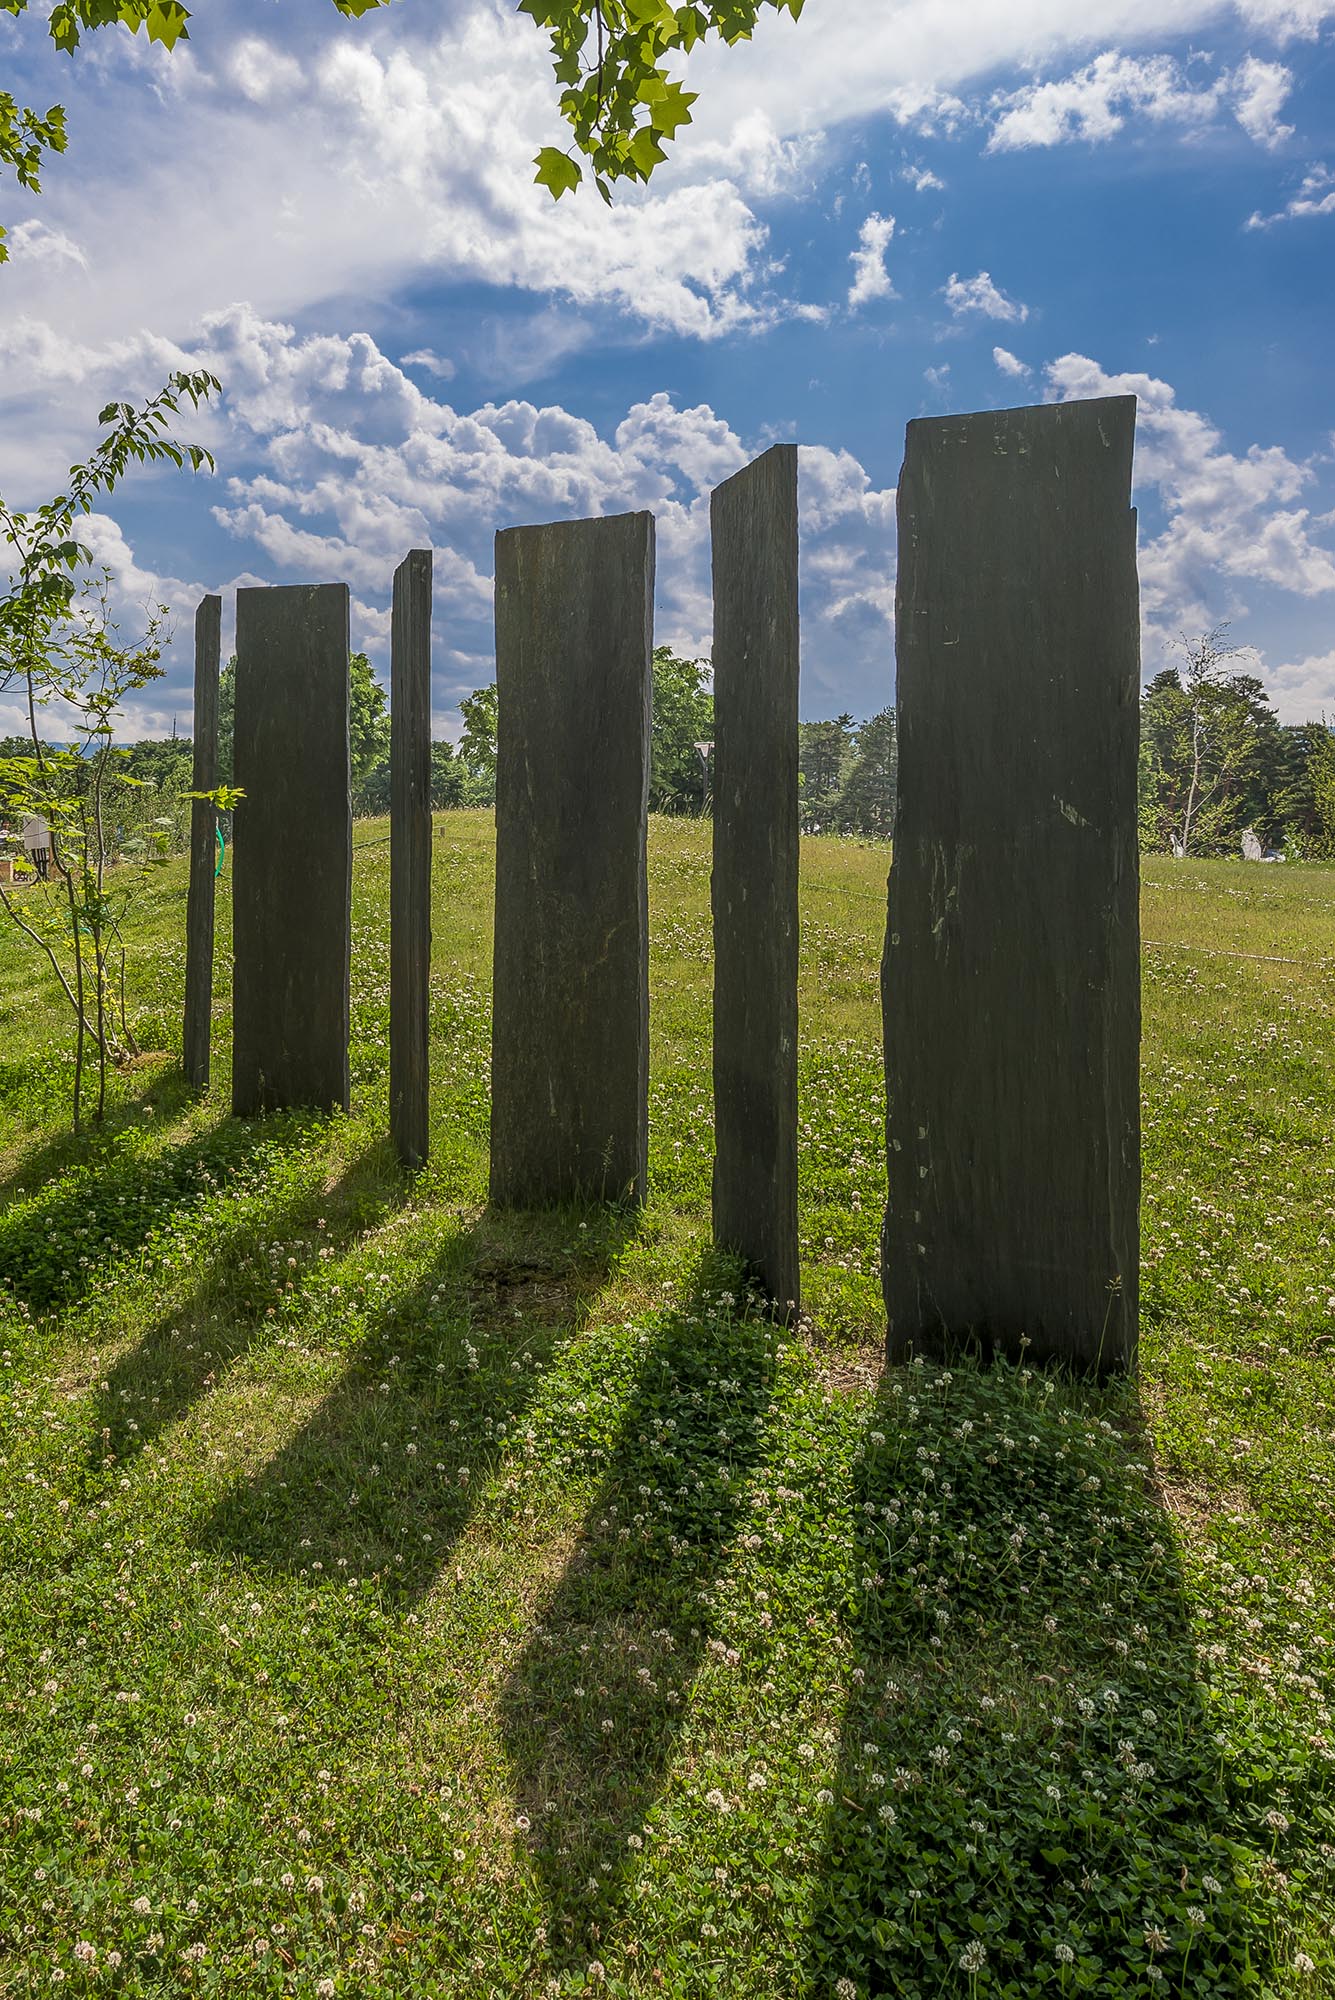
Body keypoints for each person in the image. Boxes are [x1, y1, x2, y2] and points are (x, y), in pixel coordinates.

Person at [21, 814, 52, 881]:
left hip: (41, 840)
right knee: (36, 854)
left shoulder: (42, 819)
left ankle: (43, 874)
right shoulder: (29, 819)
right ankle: (40, 874)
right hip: (34, 840)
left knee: (41, 854)